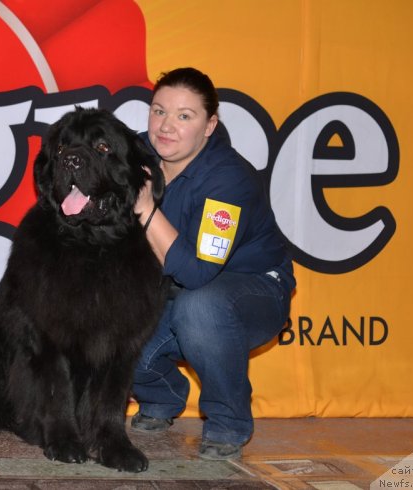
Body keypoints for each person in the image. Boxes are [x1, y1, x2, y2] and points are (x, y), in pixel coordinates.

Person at [132, 67, 295, 460]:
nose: (166, 126)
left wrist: (145, 208)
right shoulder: (134, 153)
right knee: (110, 320)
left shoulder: (229, 179)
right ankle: (162, 397)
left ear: (210, 125)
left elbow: (197, 274)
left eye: (184, 116)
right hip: (173, 291)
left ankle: (228, 423)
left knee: (201, 305)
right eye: (159, 111)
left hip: (252, 289)